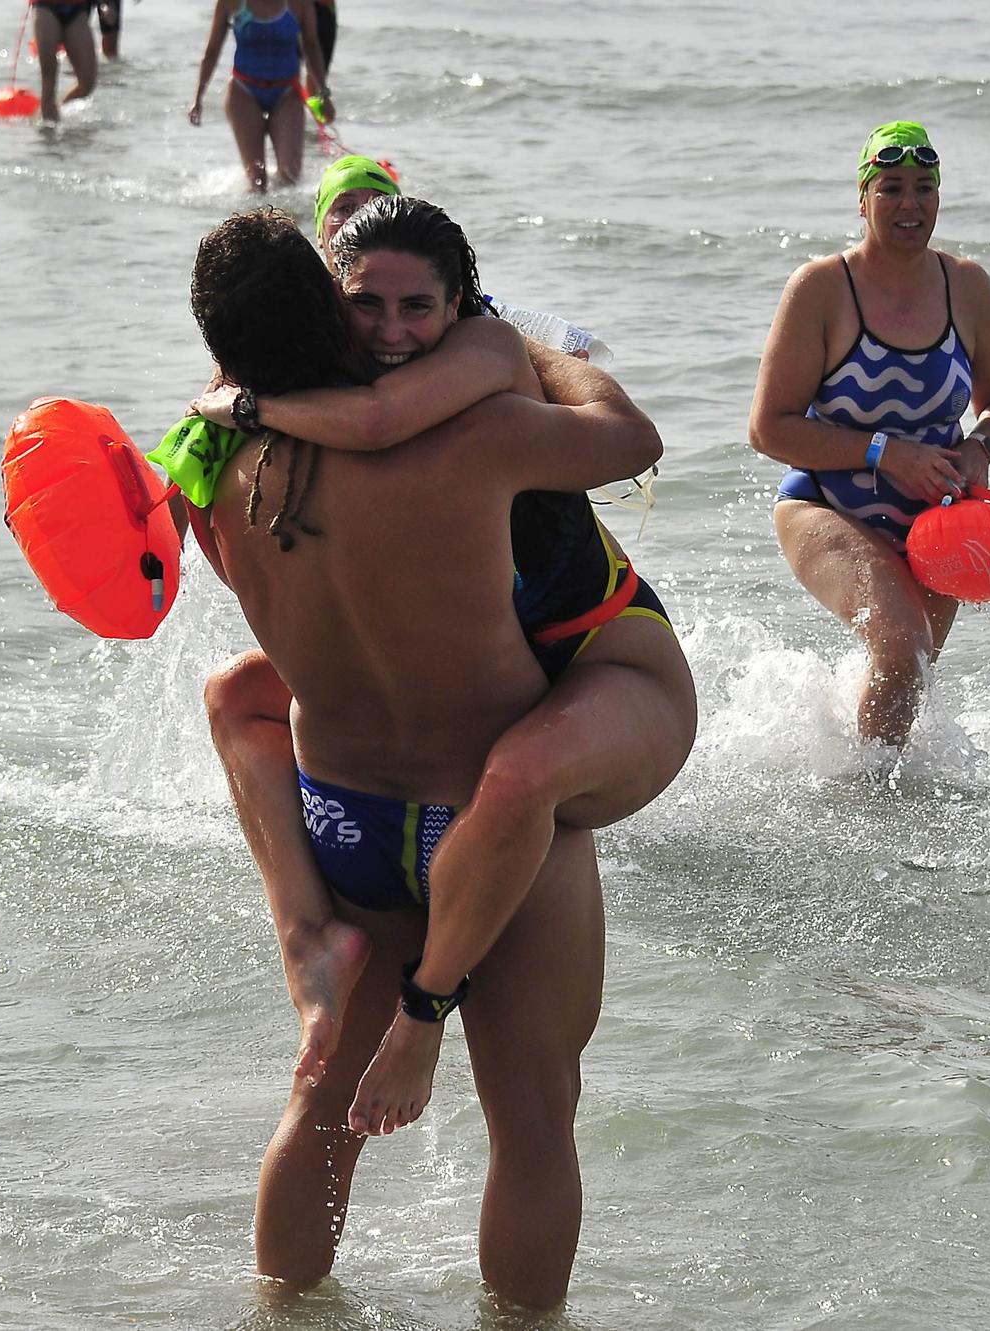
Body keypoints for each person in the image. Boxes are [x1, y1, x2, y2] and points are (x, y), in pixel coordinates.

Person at [186, 204, 661, 1310]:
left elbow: (285, 620)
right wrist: (516, 345)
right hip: (484, 811)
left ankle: (282, 1313)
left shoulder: (209, 463)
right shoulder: (483, 434)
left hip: (344, 817)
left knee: (317, 1109)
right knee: (532, 1117)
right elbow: (625, 436)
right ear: (326, 304)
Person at [748, 121, 990, 750]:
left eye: (924, 188)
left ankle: (870, 806)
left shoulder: (969, 287)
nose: (910, 204)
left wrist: (980, 446)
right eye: (892, 187)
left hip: (937, 518)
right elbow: (769, 427)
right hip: (825, 503)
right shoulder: (822, 288)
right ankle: (869, 807)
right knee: (900, 643)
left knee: (910, 669)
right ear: (863, 197)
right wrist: (886, 452)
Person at [311, 155, 613, 361]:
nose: (360, 218)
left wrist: (551, 368)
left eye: (377, 205)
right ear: (319, 234)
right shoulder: (304, 307)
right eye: (344, 208)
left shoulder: (465, 316)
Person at [189, 0, 333, 193]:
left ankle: (287, 220)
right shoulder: (229, 3)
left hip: (287, 92)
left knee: (290, 176)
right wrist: (198, 98)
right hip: (244, 91)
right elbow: (212, 50)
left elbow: (312, 47)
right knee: (257, 181)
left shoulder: (300, 4)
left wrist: (323, 93)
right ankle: (253, 220)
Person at [32, 0, 98, 125]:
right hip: (45, 6)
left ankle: (60, 109)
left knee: (87, 83)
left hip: (77, 7)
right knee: (49, 80)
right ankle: (49, 135)